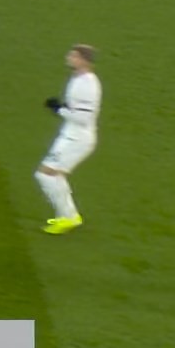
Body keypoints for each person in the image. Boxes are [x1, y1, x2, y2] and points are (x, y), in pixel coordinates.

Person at [35, 43, 101, 234]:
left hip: (77, 139)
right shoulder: (78, 78)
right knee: (55, 175)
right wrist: (63, 107)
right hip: (70, 135)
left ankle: (68, 217)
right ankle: (69, 216)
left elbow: (84, 118)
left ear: (84, 60)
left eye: (73, 55)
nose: (69, 58)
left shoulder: (88, 84)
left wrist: (59, 109)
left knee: (45, 175)